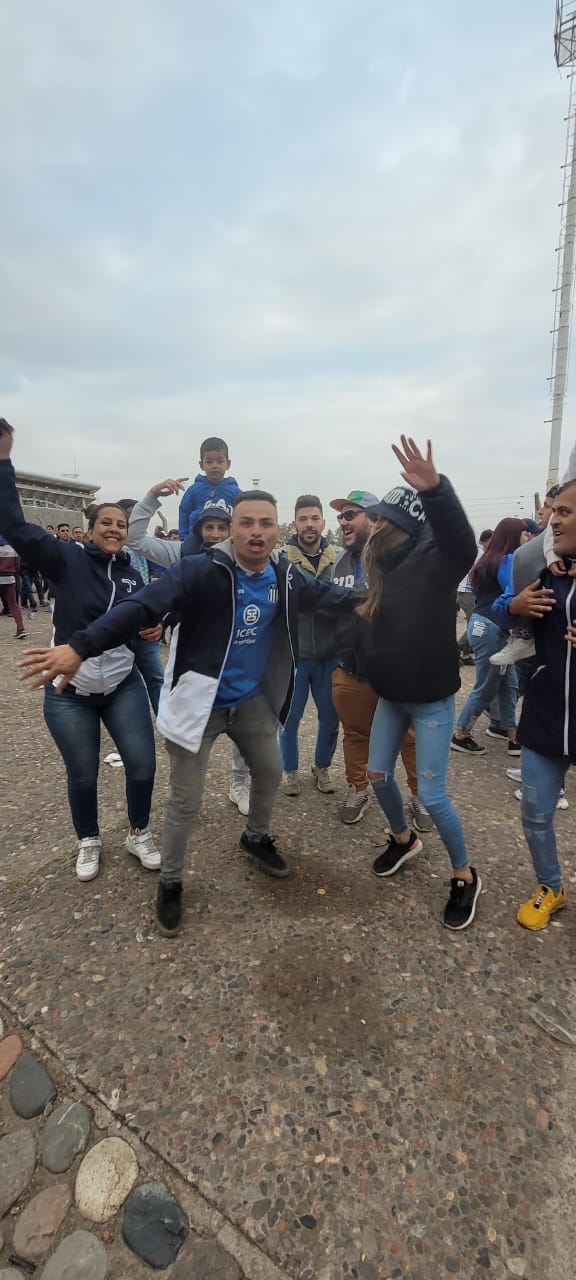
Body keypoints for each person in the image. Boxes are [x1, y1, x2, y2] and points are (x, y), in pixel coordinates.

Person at [19, 490, 359, 938]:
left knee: (271, 772)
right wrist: (80, 646)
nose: (256, 532)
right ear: (231, 530)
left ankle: (255, 837)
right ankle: (171, 881)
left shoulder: (286, 575)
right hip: (201, 703)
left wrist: (394, 601)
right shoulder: (200, 570)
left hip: (251, 701)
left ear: (280, 531)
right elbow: (138, 607)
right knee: (186, 799)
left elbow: (336, 597)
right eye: (246, 523)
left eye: (266, 524)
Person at [0, 419, 160, 883]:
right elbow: (13, 523)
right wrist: (4, 462)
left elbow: (145, 615)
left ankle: (138, 832)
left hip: (122, 684)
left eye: (122, 524)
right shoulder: (64, 558)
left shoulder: (134, 573)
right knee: (83, 774)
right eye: (106, 523)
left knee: (143, 765)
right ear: (91, 529)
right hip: (69, 690)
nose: (115, 529)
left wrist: (152, 628)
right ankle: (88, 839)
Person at [356, 436, 481, 930]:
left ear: (404, 526)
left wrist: (436, 491)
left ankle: (465, 874)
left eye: (383, 520)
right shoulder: (380, 569)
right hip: (391, 697)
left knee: (432, 796)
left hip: (430, 702)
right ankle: (404, 839)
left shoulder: (436, 559)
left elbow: (461, 542)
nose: (374, 525)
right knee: (378, 777)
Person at [128, 480, 252, 816]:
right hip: (192, 659)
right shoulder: (180, 552)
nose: (214, 534)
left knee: (245, 727)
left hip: (235, 653)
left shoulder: (247, 558)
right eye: (208, 527)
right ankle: (182, 794)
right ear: (198, 529)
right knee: (186, 729)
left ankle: (239, 784)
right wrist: (152, 497)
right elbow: (135, 539)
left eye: (221, 527)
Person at [330, 491, 431, 832]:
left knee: (410, 738)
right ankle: (358, 789)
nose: (343, 521)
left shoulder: (401, 560)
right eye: (341, 516)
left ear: (374, 519)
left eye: (351, 514)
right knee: (355, 733)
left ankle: (420, 797)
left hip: (395, 673)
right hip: (351, 670)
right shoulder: (339, 564)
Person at [509, 480, 576, 929]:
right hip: (544, 716)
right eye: (556, 511)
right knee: (535, 814)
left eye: (567, 511)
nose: (554, 519)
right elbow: (496, 610)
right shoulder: (547, 575)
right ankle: (550, 886)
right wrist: (513, 605)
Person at [279, 495, 340, 795]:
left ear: (323, 523)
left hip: (330, 656)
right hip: (295, 656)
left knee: (331, 717)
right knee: (290, 718)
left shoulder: (339, 558)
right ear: (295, 523)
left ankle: (322, 767)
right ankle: (289, 771)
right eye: (303, 519)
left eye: (314, 518)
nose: (309, 525)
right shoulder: (280, 560)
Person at [451, 518, 526, 756]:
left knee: (509, 684)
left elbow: (477, 599)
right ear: (514, 536)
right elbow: (511, 596)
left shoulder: (486, 560)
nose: (528, 538)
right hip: (493, 630)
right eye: (524, 534)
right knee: (486, 686)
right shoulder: (509, 560)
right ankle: (461, 734)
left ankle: (512, 736)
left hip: (481, 625)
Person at [177, 436, 241, 540]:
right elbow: (184, 512)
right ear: (201, 465)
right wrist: (184, 538)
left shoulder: (235, 492)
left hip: (226, 542)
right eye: (209, 462)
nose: (215, 465)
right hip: (196, 543)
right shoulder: (193, 490)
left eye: (220, 461)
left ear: (228, 464)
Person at [457, 529, 493, 664]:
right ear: (488, 539)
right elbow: (474, 572)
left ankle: (464, 652)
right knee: (474, 623)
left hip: (466, 591)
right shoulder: (480, 553)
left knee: (473, 623)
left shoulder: (477, 551)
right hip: (468, 592)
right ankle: (460, 651)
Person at [0, 537, 26, 638]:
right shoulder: (12, 548)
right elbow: (17, 565)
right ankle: (20, 628)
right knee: (13, 604)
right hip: (9, 578)